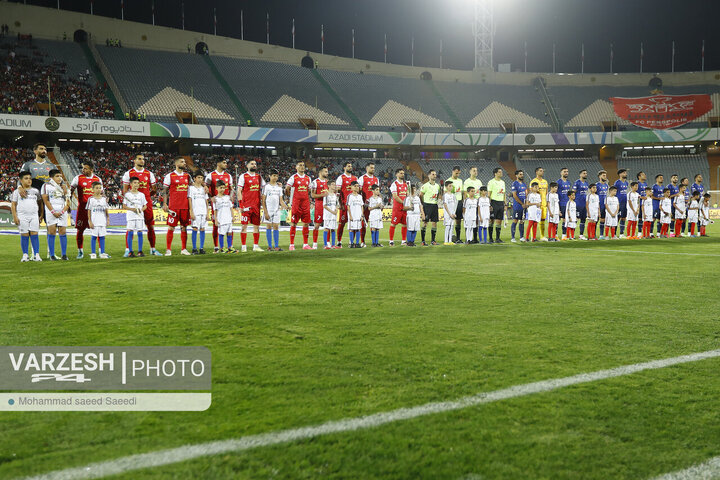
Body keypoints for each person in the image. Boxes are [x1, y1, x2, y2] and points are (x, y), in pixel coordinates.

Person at [122, 153, 162, 256]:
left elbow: (154, 189)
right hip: (133, 205)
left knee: (150, 226)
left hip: (145, 203)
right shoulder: (128, 173)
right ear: (134, 161)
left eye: (143, 159)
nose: (142, 161)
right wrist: (132, 201)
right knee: (130, 228)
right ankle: (128, 250)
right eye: (139, 159)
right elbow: (125, 191)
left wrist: (146, 197)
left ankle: (152, 249)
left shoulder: (149, 173)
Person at [70, 160, 103, 259]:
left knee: (98, 230)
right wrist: (68, 201)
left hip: (95, 210)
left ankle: (101, 251)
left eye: (85, 168)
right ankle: (80, 251)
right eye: (83, 168)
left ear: (91, 170)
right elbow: (70, 191)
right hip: (82, 209)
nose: (83, 170)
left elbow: (102, 194)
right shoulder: (78, 178)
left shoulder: (98, 179)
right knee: (80, 230)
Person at [162, 157, 192, 256]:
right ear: (176, 164)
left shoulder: (188, 176)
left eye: (184, 162)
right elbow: (165, 191)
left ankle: (183, 249)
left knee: (184, 227)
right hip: (173, 207)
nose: (184, 163)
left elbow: (193, 187)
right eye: (182, 162)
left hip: (185, 206)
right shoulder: (169, 176)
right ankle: (168, 249)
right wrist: (165, 203)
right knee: (171, 228)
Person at [205, 158, 234, 253]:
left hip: (226, 202)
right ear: (218, 163)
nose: (226, 164)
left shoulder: (228, 176)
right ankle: (216, 246)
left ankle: (230, 246)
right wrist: (211, 197)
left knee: (229, 225)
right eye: (224, 162)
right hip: (217, 203)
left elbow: (231, 188)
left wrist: (231, 196)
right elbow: (206, 188)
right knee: (216, 225)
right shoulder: (210, 175)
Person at [11, 171, 41, 262]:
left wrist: (41, 214)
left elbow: (40, 203)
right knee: (24, 234)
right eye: (26, 178)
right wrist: (15, 217)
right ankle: (25, 255)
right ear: (20, 180)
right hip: (22, 216)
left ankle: (36, 254)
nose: (29, 180)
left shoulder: (35, 191)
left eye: (30, 178)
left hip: (34, 216)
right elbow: (13, 205)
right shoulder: (16, 192)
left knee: (34, 234)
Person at [237, 159, 266, 252]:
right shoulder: (243, 176)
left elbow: (265, 188)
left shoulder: (259, 177)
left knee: (256, 226)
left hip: (256, 206)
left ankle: (256, 246)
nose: (254, 165)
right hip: (246, 206)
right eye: (252, 164)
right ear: (247, 165)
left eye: (255, 164)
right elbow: (239, 191)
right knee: (244, 226)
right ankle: (243, 247)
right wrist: (241, 205)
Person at [41, 169, 70, 260]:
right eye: (57, 176)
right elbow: (45, 200)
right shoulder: (46, 186)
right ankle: (52, 255)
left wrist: (62, 211)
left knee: (63, 232)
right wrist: (53, 211)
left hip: (62, 211)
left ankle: (64, 255)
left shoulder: (64, 187)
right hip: (51, 211)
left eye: (61, 176)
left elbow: (68, 202)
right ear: (51, 177)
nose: (60, 178)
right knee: (52, 231)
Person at [286, 160, 313, 251]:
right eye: (300, 165)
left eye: (303, 165)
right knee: (294, 223)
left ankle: (305, 244)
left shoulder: (308, 178)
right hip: (296, 204)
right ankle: (291, 244)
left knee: (306, 223)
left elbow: (309, 190)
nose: (302, 167)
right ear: (296, 167)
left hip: (305, 203)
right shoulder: (293, 178)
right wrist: (292, 198)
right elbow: (287, 188)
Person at [262, 169, 287, 251]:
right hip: (268, 210)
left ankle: (276, 246)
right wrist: (265, 212)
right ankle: (269, 246)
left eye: (276, 176)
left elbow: (281, 200)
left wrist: (286, 206)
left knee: (276, 226)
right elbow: (263, 200)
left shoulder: (279, 188)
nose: (275, 177)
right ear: (269, 176)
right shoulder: (266, 187)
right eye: (273, 175)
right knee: (268, 226)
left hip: (276, 210)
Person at [123, 177, 148, 258]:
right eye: (134, 183)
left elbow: (145, 206)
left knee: (140, 232)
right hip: (131, 216)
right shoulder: (127, 195)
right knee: (130, 232)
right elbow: (124, 206)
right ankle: (130, 251)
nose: (136, 184)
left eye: (137, 183)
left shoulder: (142, 195)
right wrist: (132, 209)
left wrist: (141, 210)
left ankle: (140, 251)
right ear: (130, 184)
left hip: (140, 216)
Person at [335, 161, 357, 247]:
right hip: (344, 205)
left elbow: (358, 191)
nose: (350, 167)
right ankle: (339, 241)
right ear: (344, 168)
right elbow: (338, 192)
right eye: (348, 166)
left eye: (351, 166)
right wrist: (340, 203)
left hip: (354, 206)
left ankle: (351, 242)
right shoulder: (341, 178)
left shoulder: (355, 178)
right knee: (342, 223)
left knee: (353, 224)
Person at [86, 181, 110, 259]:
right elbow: (89, 210)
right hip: (94, 221)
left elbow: (106, 209)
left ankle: (102, 253)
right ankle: (93, 253)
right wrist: (90, 221)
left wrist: (108, 219)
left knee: (102, 237)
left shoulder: (104, 199)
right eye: (96, 188)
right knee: (94, 237)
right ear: (92, 189)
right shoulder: (91, 199)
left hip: (102, 221)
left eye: (100, 188)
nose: (99, 189)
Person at [188, 171, 209, 255]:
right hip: (195, 211)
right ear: (194, 178)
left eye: (201, 178)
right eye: (198, 178)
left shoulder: (204, 189)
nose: (200, 179)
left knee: (203, 229)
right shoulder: (191, 188)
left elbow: (206, 201)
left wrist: (208, 213)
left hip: (203, 211)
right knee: (195, 229)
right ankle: (194, 248)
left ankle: (201, 248)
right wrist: (191, 212)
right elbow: (190, 200)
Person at [358, 163, 379, 246]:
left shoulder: (376, 179)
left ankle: (374, 242)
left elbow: (377, 191)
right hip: (365, 205)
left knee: (374, 223)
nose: (373, 169)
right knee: (363, 223)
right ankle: (362, 241)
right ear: (367, 168)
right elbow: (359, 191)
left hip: (374, 205)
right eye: (371, 168)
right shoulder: (362, 178)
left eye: (374, 168)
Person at [419, 169, 440, 246]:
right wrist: (423, 203)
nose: (434, 176)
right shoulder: (425, 186)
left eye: (435, 174)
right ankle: (423, 241)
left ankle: (433, 240)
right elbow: (420, 195)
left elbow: (437, 196)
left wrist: (435, 201)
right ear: (428, 176)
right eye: (432, 174)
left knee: (434, 223)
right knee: (425, 222)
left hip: (434, 205)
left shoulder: (437, 186)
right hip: (427, 205)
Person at [310, 166, 329, 250]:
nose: (327, 173)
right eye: (325, 172)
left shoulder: (328, 182)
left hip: (328, 206)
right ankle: (315, 243)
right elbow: (312, 195)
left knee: (328, 225)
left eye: (327, 171)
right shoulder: (315, 182)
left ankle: (327, 243)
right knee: (317, 225)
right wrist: (322, 195)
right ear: (320, 172)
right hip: (319, 205)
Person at [213, 181, 235, 253]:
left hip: (229, 218)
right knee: (221, 233)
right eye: (221, 188)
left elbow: (231, 208)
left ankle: (229, 247)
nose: (222, 189)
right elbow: (215, 210)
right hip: (221, 219)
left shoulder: (228, 198)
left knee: (229, 233)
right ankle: (222, 248)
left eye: (224, 188)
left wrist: (233, 216)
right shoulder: (215, 199)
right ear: (217, 188)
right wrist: (216, 219)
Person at [462, 167, 483, 243]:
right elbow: (465, 193)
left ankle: (474, 238)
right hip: (470, 203)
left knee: (476, 221)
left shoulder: (479, 182)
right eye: (474, 171)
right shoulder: (467, 181)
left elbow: (480, 193)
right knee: (468, 221)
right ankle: (468, 238)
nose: (475, 172)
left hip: (476, 203)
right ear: (470, 171)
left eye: (476, 171)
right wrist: (466, 202)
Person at [389, 168, 408, 246]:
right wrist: (404, 203)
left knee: (405, 224)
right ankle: (391, 241)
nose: (402, 174)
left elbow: (407, 195)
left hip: (404, 209)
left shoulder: (406, 184)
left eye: (403, 173)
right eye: (400, 173)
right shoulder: (394, 184)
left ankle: (403, 241)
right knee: (393, 224)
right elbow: (395, 197)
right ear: (396, 174)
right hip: (397, 209)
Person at [487, 167, 506, 243]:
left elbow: (504, 194)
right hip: (494, 203)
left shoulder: (503, 182)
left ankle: (498, 238)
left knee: (499, 221)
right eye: (499, 172)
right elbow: (489, 194)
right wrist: (489, 204)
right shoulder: (491, 182)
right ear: (495, 173)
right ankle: (491, 238)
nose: (501, 173)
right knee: (491, 221)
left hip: (501, 203)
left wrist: (505, 204)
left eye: (501, 172)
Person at [446, 166, 464, 242]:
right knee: (450, 220)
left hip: (459, 202)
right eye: (456, 173)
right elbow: (445, 193)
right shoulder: (448, 181)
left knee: (458, 220)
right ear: (452, 171)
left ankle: (458, 238)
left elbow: (462, 192)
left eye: (458, 173)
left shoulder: (460, 181)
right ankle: (449, 237)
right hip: (452, 203)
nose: (457, 175)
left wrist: (463, 201)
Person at [530, 167, 548, 240]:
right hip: (536, 204)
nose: (542, 172)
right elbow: (532, 192)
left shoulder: (545, 181)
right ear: (536, 172)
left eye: (542, 170)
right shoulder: (533, 181)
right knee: (534, 220)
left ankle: (542, 236)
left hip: (543, 203)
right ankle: (532, 236)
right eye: (540, 171)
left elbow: (546, 192)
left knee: (543, 219)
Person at [510, 170, 527, 243]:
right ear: (516, 175)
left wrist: (525, 203)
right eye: (520, 174)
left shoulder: (524, 184)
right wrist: (521, 203)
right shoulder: (515, 183)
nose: (522, 175)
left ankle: (521, 237)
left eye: (522, 174)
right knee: (515, 221)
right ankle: (513, 237)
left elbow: (525, 195)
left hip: (523, 206)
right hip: (517, 206)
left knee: (522, 221)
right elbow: (514, 195)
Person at [347, 181, 364, 248]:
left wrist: (362, 215)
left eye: (358, 186)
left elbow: (362, 206)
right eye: (355, 186)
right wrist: (350, 215)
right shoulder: (350, 196)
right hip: (352, 215)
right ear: (351, 187)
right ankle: (351, 243)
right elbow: (348, 206)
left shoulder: (360, 196)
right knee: (351, 229)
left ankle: (357, 243)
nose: (357, 187)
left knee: (358, 229)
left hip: (358, 215)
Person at [322, 183, 339, 249]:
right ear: (328, 186)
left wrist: (336, 210)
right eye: (332, 184)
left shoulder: (335, 195)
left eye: (335, 184)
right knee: (326, 228)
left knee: (333, 229)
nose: (334, 186)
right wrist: (332, 211)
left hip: (334, 215)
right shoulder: (326, 195)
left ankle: (333, 245)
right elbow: (324, 205)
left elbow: (337, 204)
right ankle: (325, 245)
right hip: (328, 215)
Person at [574, 169, 589, 240]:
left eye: (586, 173)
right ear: (580, 175)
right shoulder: (577, 182)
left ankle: (581, 235)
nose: (585, 174)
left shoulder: (586, 183)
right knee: (575, 219)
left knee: (583, 219)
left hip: (584, 204)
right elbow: (573, 192)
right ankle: (572, 235)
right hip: (578, 204)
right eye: (584, 173)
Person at [556, 167, 571, 238]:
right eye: (564, 171)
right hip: (559, 203)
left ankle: (563, 235)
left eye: (567, 171)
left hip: (566, 204)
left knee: (565, 220)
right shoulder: (558, 182)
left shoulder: (568, 182)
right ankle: (555, 235)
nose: (566, 173)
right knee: (557, 220)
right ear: (561, 173)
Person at [614, 169, 629, 237]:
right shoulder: (617, 182)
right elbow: (614, 192)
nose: (625, 174)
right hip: (619, 203)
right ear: (620, 174)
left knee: (623, 218)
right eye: (624, 173)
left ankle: (621, 233)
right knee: (617, 218)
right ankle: (614, 233)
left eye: (625, 173)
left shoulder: (626, 183)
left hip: (625, 203)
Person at [442, 180, 458, 245]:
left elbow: (455, 204)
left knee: (451, 226)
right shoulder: (445, 195)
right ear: (446, 187)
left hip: (452, 213)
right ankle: (446, 241)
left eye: (452, 186)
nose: (451, 187)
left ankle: (450, 240)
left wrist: (454, 213)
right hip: (447, 214)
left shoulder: (453, 195)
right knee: (447, 226)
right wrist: (449, 214)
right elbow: (445, 205)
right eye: (450, 186)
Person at [596, 170, 609, 239]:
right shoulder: (596, 185)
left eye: (605, 175)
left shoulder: (606, 185)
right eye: (603, 175)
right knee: (596, 220)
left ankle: (601, 235)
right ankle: (593, 234)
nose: (605, 177)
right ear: (599, 176)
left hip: (604, 205)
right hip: (598, 205)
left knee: (603, 220)